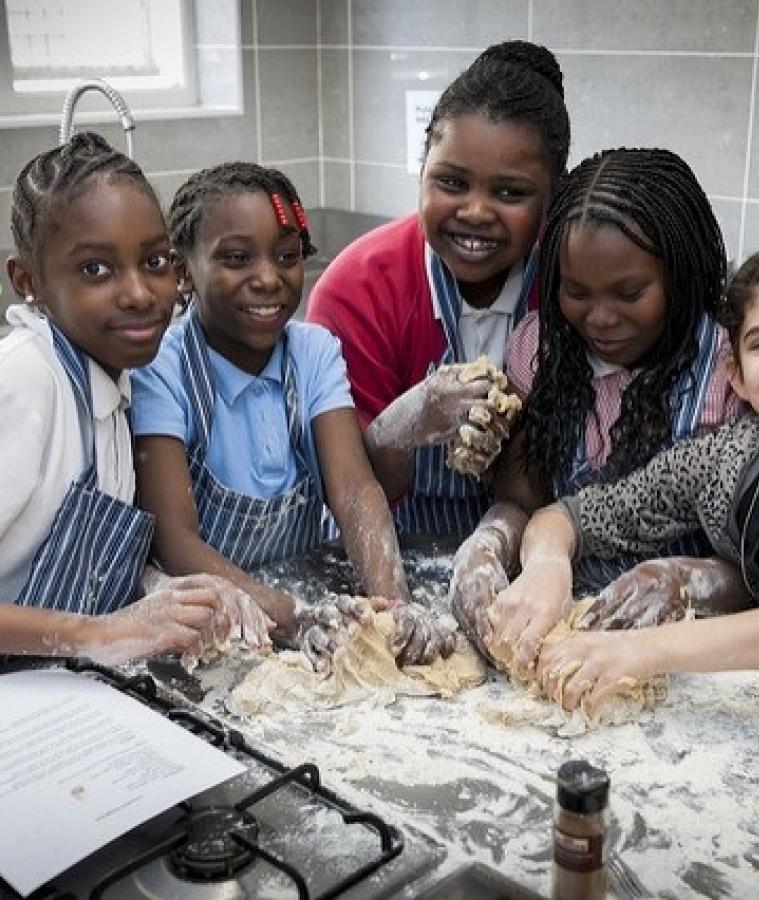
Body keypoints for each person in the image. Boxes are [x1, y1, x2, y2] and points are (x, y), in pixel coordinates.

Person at [491, 226, 759, 709]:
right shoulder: (728, 462)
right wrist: (547, 568)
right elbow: (575, 516)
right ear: (738, 377)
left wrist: (643, 652)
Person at [130, 162, 453, 666]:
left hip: (306, 594)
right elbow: (174, 539)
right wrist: (292, 617)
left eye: (287, 257)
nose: (268, 279)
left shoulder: (313, 352)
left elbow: (354, 492)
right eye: (237, 258)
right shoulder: (163, 371)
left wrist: (394, 607)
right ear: (182, 272)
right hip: (215, 630)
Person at [450, 149, 747, 654]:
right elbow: (523, 496)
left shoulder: (728, 369)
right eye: (577, 292)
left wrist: (680, 581)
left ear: (680, 275)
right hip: (558, 627)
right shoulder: (540, 348)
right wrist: (490, 545)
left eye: (629, 293)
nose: (600, 317)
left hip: (685, 650)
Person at [0, 131, 264, 663]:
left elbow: (74, 563)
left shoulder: (115, 381)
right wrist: (98, 635)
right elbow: (90, 625)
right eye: (96, 269)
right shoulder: (27, 382)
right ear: (28, 281)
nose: (141, 294)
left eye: (155, 262)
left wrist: (160, 589)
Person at [306, 40, 570, 536]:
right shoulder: (357, 291)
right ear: (423, 170)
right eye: (450, 183)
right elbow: (346, 490)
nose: (474, 212)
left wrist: (501, 538)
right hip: (388, 553)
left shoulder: (573, 291)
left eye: (510, 192)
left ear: (555, 195)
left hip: (537, 554)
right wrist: (403, 424)